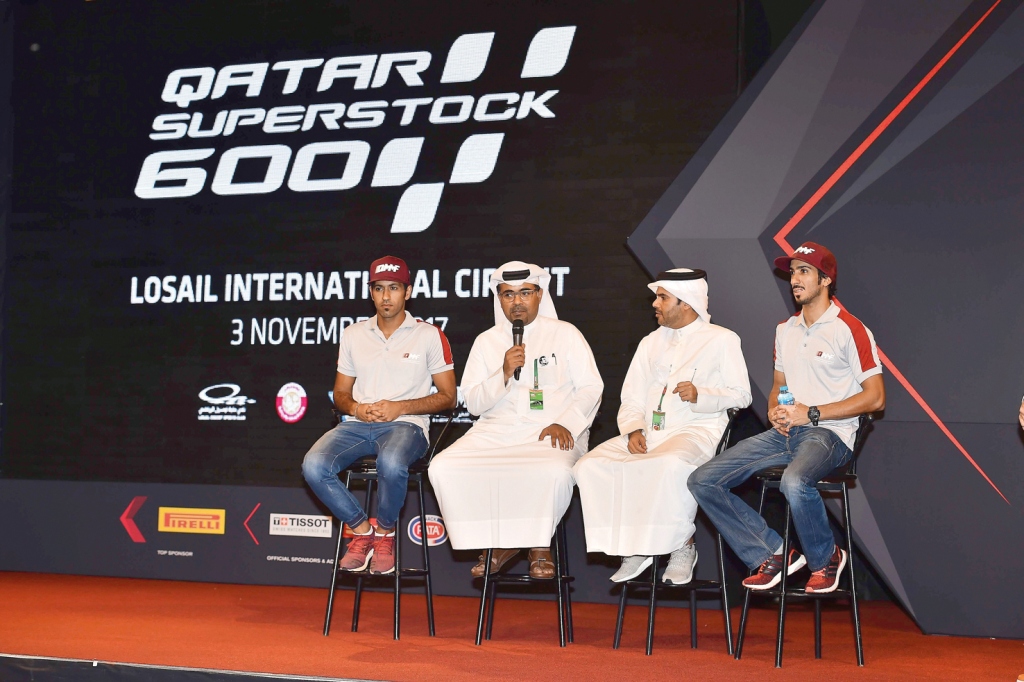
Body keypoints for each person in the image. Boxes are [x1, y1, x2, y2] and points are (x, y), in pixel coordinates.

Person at [688, 242, 885, 594]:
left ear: (825, 280)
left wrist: (810, 412)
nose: (794, 278)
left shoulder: (849, 329)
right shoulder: (785, 330)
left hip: (831, 436)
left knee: (794, 482)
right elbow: (780, 384)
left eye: (804, 271)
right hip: (787, 434)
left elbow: (876, 398)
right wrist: (776, 411)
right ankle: (772, 552)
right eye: (792, 271)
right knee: (703, 479)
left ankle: (826, 559)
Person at [574, 269, 751, 584]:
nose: (654, 304)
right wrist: (633, 429)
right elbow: (631, 397)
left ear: (686, 303)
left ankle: (682, 545)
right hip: (650, 433)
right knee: (590, 465)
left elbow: (742, 396)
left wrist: (703, 395)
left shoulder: (722, 340)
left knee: (668, 465)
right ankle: (634, 546)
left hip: (695, 430)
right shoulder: (650, 342)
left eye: (662, 297)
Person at [428, 261, 603, 578]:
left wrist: (567, 422)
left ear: (539, 294)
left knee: (553, 471)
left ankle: (537, 547)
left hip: (552, 431)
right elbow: (476, 403)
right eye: (508, 294)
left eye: (525, 292)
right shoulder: (487, 341)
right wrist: (504, 372)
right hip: (496, 432)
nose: (517, 301)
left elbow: (592, 387)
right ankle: (493, 542)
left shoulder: (566, 334)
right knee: (443, 466)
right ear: (499, 298)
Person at [302, 256, 457, 576]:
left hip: (407, 426)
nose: (386, 296)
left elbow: (447, 397)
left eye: (394, 288)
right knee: (313, 465)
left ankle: (385, 532)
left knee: (391, 462)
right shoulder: (353, 334)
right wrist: (357, 408)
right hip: (358, 424)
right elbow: (342, 393)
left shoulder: (429, 335)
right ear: (371, 293)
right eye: (379, 288)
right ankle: (361, 531)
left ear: (408, 291)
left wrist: (400, 407)